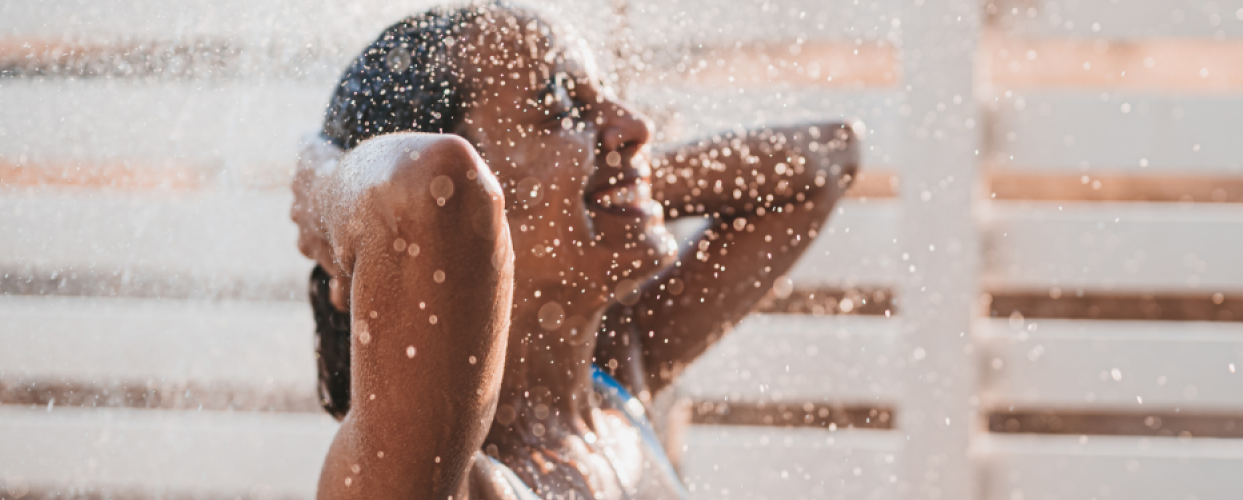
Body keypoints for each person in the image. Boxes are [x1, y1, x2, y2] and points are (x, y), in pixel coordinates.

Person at [288, 3, 862, 499]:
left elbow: (829, 157)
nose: (634, 125)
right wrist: (322, 187)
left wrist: (619, 186)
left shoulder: (615, 373)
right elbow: (429, 184)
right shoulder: (421, 470)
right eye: (562, 106)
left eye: (605, 98)